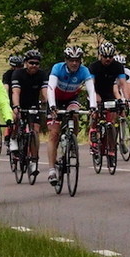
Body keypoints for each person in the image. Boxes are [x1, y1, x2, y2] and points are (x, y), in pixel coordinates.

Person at [43, 46, 97, 184]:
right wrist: (52, 106)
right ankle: (51, 171)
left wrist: (93, 107)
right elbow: (50, 88)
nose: (74, 63)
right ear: (66, 60)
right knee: (54, 134)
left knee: (74, 113)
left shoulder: (84, 71)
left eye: (77, 60)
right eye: (71, 60)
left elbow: (91, 90)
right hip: (55, 99)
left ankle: (72, 141)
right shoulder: (57, 68)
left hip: (71, 99)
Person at [86, 42, 129, 152]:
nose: (108, 59)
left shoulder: (118, 66)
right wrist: (95, 96)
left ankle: (111, 147)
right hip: (95, 92)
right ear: (100, 55)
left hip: (109, 93)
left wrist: (127, 99)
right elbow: (91, 84)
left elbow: (123, 84)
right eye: (105, 56)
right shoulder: (94, 66)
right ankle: (93, 130)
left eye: (110, 56)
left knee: (112, 120)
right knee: (96, 113)